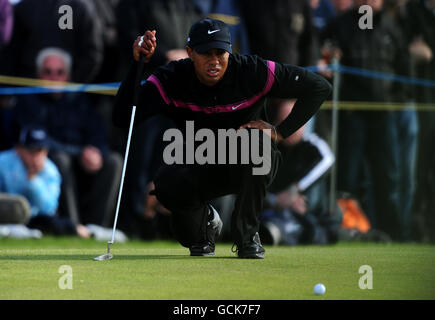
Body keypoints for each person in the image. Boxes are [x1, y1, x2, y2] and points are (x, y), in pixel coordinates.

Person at [113, 18, 332, 258]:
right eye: (206, 53)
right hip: (199, 164)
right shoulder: (172, 78)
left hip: (248, 163)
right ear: (190, 53)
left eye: (221, 53)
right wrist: (138, 64)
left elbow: (319, 86)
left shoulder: (253, 70)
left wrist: (280, 132)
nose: (214, 61)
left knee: (260, 146)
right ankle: (205, 226)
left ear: (230, 51)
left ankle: (247, 236)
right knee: (166, 184)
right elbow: (123, 117)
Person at [12, 47, 123, 228]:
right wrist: (81, 152)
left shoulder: (80, 100)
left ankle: (97, 227)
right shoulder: (28, 101)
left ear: (68, 76)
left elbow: (98, 133)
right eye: (47, 72)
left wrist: (96, 150)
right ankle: (72, 226)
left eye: (60, 72)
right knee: (60, 160)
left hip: (82, 160)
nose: (54, 78)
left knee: (114, 161)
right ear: (38, 74)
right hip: (52, 160)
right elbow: (39, 141)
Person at [0, 125, 90, 238]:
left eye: (40, 151)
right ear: (19, 149)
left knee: (54, 223)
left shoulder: (51, 171)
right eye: (31, 151)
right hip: (5, 213)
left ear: (46, 152)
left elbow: (48, 208)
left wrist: (33, 180)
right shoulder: (3, 162)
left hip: (34, 218)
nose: (36, 156)